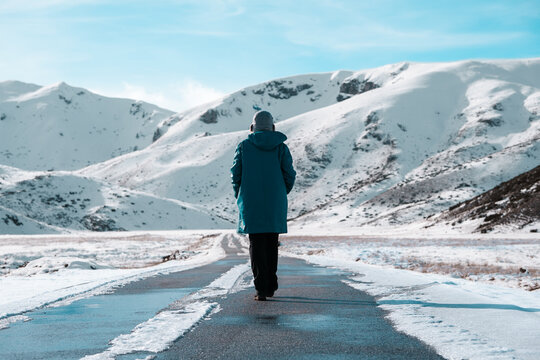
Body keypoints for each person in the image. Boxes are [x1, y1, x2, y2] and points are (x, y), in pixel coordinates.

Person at [230, 110, 296, 301]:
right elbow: (289, 174)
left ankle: (261, 289)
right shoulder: (281, 148)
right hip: (275, 202)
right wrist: (281, 193)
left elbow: (236, 174)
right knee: (271, 243)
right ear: (273, 128)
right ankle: (271, 285)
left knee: (256, 244)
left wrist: (241, 196)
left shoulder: (243, 146)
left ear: (252, 128)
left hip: (251, 202)